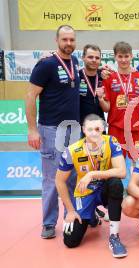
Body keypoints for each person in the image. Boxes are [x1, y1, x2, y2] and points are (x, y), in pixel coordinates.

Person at [26, 24, 80, 239]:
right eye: (64, 39)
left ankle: (72, 216)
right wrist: (32, 129)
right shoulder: (46, 64)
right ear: (57, 40)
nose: (68, 43)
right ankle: (48, 223)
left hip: (73, 129)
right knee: (51, 178)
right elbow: (30, 96)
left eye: (72, 40)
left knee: (73, 176)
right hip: (50, 129)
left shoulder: (75, 62)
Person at [55, 114, 127, 258]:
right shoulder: (72, 150)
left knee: (116, 184)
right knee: (70, 241)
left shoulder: (111, 141)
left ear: (103, 129)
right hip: (84, 193)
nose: (94, 133)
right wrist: (70, 210)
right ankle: (91, 216)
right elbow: (59, 181)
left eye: (97, 129)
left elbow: (122, 171)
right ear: (83, 130)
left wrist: (92, 174)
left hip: (104, 189)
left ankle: (114, 237)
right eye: (89, 129)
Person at [100, 41, 139, 161]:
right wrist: (100, 98)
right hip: (116, 128)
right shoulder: (109, 77)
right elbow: (107, 108)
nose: (124, 60)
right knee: (115, 163)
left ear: (131, 56)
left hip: (135, 129)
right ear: (115, 57)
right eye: (120, 56)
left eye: (126, 56)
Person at [79, 44, 105, 127]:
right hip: (80, 126)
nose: (94, 60)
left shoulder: (104, 76)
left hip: (99, 126)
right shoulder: (76, 76)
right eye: (90, 57)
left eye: (97, 58)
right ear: (83, 58)